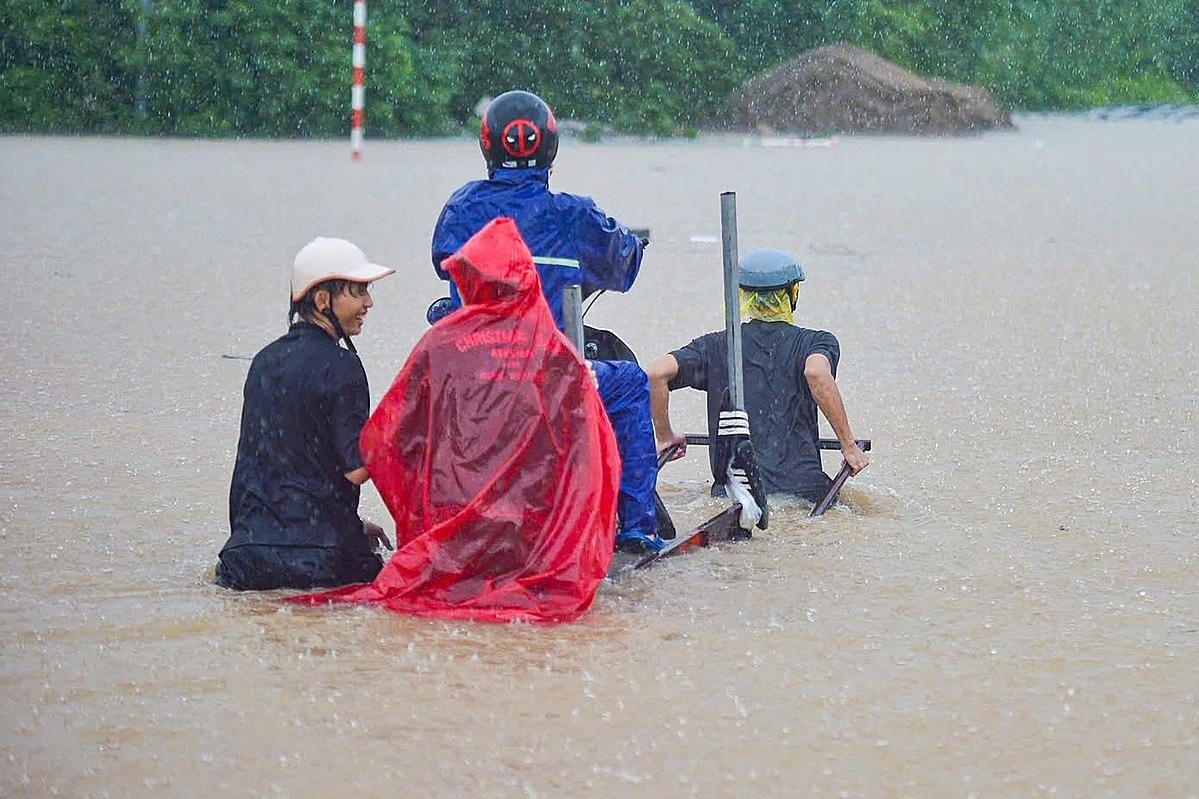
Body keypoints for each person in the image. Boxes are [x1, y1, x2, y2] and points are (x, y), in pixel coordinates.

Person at [429, 89, 662, 553]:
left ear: (487, 147)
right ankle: (637, 529)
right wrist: (627, 245)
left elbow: (444, 266)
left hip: (477, 378)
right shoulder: (573, 215)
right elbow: (623, 268)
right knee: (632, 383)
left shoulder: (460, 210)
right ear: (550, 149)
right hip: (545, 377)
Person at [215, 237, 396, 590]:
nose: (368, 303)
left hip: (244, 558)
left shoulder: (263, 362)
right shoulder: (343, 366)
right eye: (358, 291)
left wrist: (353, 524)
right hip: (318, 561)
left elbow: (282, 463)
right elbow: (358, 469)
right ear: (323, 299)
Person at [647, 248, 869, 506]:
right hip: (805, 493)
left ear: (743, 296)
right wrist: (848, 446)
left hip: (734, 493)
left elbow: (656, 374)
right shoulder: (815, 342)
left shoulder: (716, 346)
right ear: (792, 294)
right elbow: (816, 372)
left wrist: (664, 436)